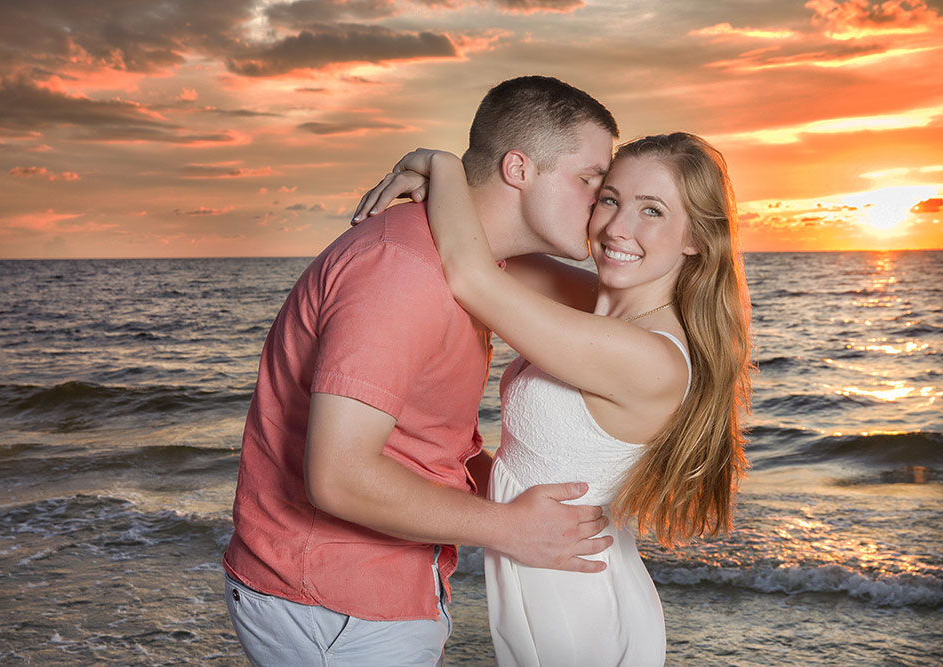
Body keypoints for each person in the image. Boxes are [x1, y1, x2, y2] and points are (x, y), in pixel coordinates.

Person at [222, 76, 621, 666]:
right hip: (333, 601)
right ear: (519, 169)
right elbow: (338, 477)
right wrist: (509, 528)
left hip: (370, 588)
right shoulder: (402, 270)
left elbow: (425, 441)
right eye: (590, 179)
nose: (599, 203)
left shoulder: (478, 262)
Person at [352, 132, 753, 665]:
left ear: (696, 239)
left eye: (651, 211)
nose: (617, 227)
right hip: (552, 578)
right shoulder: (602, 310)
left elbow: (473, 276)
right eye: (609, 199)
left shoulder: (648, 356)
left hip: (577, 605)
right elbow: (490, 248)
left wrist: (438, 162)